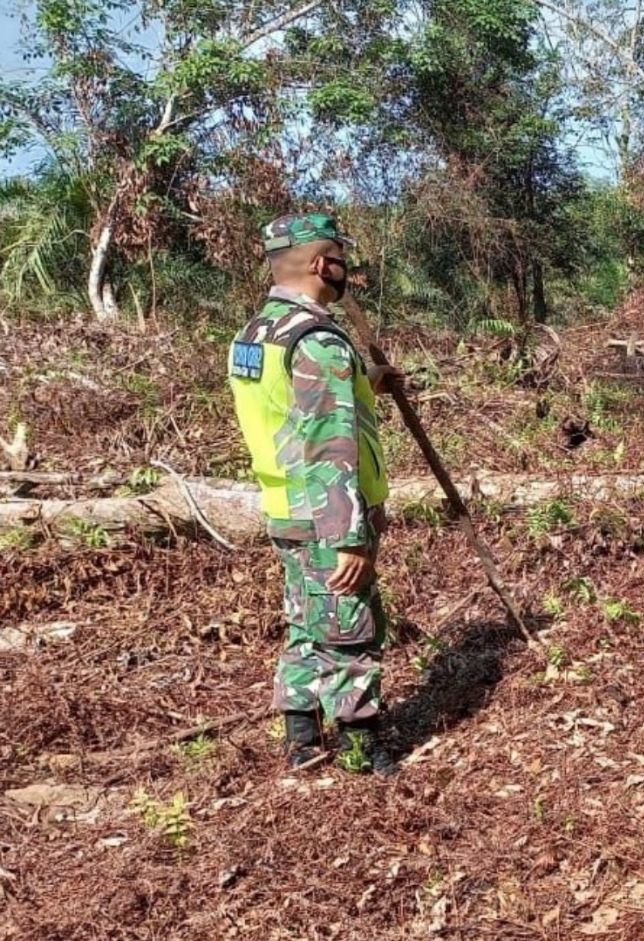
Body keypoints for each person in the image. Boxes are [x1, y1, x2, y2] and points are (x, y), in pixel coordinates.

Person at [228, 212, 400, 775]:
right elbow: (329, 443)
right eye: (342, 260)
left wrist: (368, 382)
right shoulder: (318, 341)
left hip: (286, 509)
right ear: (324, 265)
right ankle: (360, 747)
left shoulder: (257, 334)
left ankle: (301, 738)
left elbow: (292, 409)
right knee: (349, 627)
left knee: (305, 622)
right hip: (328, 514)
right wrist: (349, 536)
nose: (346, 271)